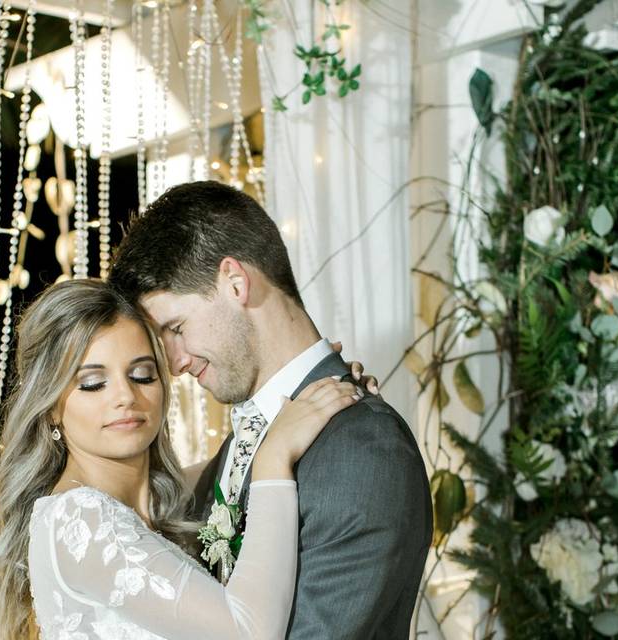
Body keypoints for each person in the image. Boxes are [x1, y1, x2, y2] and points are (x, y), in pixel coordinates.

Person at [109, 181, 433, 639]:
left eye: (176, 328)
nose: (177, 364)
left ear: (235, 282)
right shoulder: (241, 450)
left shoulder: (363, 448)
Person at [0, 279, 361, 639]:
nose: (125, 396)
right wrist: (275, 457)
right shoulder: (79, 517)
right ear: (51, 409)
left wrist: (330, 401)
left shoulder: (170, 499)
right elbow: (250, 632)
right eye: (93, 383)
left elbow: (234, 462)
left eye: (142, 375)